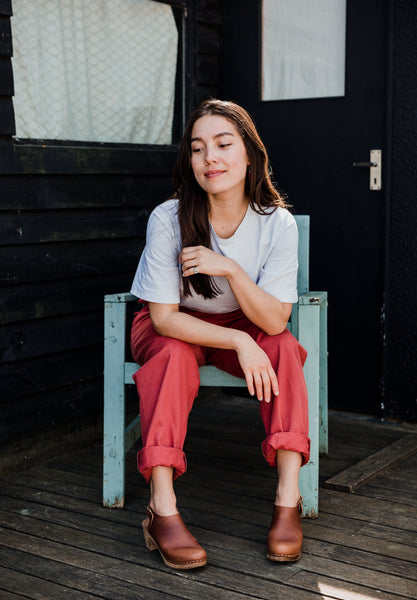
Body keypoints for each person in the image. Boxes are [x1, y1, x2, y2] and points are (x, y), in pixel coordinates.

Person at [130, 99, 310, 570]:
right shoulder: (168, 218)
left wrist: (229, 269)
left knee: (284, 347)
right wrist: (237, 341)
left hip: (244, 324)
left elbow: (273, 322)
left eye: (223, 144)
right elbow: (165, 318)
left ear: (249, 154)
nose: (210, 157)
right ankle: (162, 508)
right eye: (197, 148)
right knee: (170, 356)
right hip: (174, 328)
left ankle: (288, 500)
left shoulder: (277, 223)